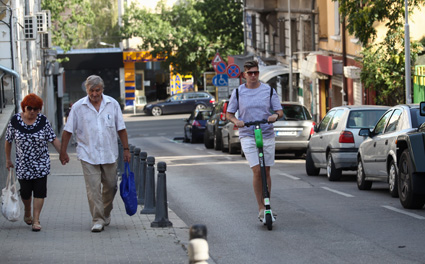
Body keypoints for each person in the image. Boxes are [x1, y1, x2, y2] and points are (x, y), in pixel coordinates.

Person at [59, 75, 131, 232]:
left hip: (109, 153)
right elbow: (67, 131)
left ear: (102, 89)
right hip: (88, 153)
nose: (94, 94)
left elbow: (121, 129)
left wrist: (126, 149)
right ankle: (97, 219)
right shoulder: (78, 107)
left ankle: (105, 213)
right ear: (87, 90)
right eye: (91, 90)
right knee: (93, 189)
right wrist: (63, 152)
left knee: (111, 187)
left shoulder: (112, 104)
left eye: (97, 90)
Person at [226, 60, 284, 222]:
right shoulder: (238, 92)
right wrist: (236, 121)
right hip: (248, 134)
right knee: (257, 170)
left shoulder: (268, 90)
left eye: (256, 72)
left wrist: (275, 116)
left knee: (266, 170)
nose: (253, 76)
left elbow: (279, 111)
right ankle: (260, 207)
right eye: (250, 73)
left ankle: (267, 205)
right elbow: (229, 114)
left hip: (266, 133)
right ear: (244, 75)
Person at [5, 93, 61, 232]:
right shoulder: (15, 121)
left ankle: (36, 219)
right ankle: (27, 212)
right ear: (24, 107)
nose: (32, 111)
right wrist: (8, 159)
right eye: (29, 108)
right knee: (25, 193)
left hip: (41, 163)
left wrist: (63, 154)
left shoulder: (43, 121)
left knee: (40, 192)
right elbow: (8, 141)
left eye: (36, 109)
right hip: (23, 164)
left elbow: (53, 138)